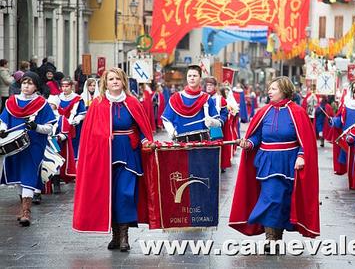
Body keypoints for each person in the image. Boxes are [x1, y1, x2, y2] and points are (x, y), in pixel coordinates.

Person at [73, 67, 160, 252]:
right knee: (109, 195)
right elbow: (90, 133)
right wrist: (103, 136)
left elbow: (142, 128)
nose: (114, 82)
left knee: (125, 194)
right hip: (105, 156)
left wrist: (146, 141)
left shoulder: (132, 102)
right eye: (111, 79)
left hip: (129, 154)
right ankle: (115, 235)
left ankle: (124, 236)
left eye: (118, 79)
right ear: (105, 82)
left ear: (123, 82)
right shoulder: (98, 104)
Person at [229, 76, 319, 248]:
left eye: (274, 89)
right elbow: (257, 136)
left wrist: (302, 156)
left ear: (284, 90)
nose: (269, 91)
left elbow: (306, 141)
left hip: (289, 162)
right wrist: (248, 143)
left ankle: (277, 237)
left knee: (283, 200)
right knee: (271, 197)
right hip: (267, 161)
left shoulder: (298, 112)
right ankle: (270, 238)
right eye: (269, 88)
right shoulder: (263, 112)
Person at [0, 71, 56, 226]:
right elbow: (4, 120)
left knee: (29, 174)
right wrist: (3, 129)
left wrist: (36, 126)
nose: (26, 86)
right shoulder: (11, 102)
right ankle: (22, 208)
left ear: (36, 87)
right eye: (24, 82)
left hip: (33, 145)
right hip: (14, 145)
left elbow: (49, 128)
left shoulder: (42, 104)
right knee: (18, 176)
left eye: (30, 83)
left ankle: (26, 212)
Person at [161, 65, 220, 141]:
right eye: (189, 76)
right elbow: (166, 119)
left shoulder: (207, 98)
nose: (192, 78)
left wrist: (213, 124)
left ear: (200, 79)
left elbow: (217, 124)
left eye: (195, 76)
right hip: (181, 143)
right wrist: (172, 132)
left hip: (203, 143)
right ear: (186, 78)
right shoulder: (175, 98)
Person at [331, 85, 355, 190]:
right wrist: (335, 121)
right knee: (349, 160)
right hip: (346, 136)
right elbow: (341, 119)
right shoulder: (346, 105)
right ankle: (351, 182)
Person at [204, 77, 231, 172]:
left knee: (216, 145)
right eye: (207, 85)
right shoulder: (202, 97)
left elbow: (224, 113)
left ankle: (219, 164)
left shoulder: (220, 100)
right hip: (204, 127)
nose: (208, 87)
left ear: (215, 87)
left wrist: (219, 122)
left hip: (216, 127)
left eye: (211, 85)